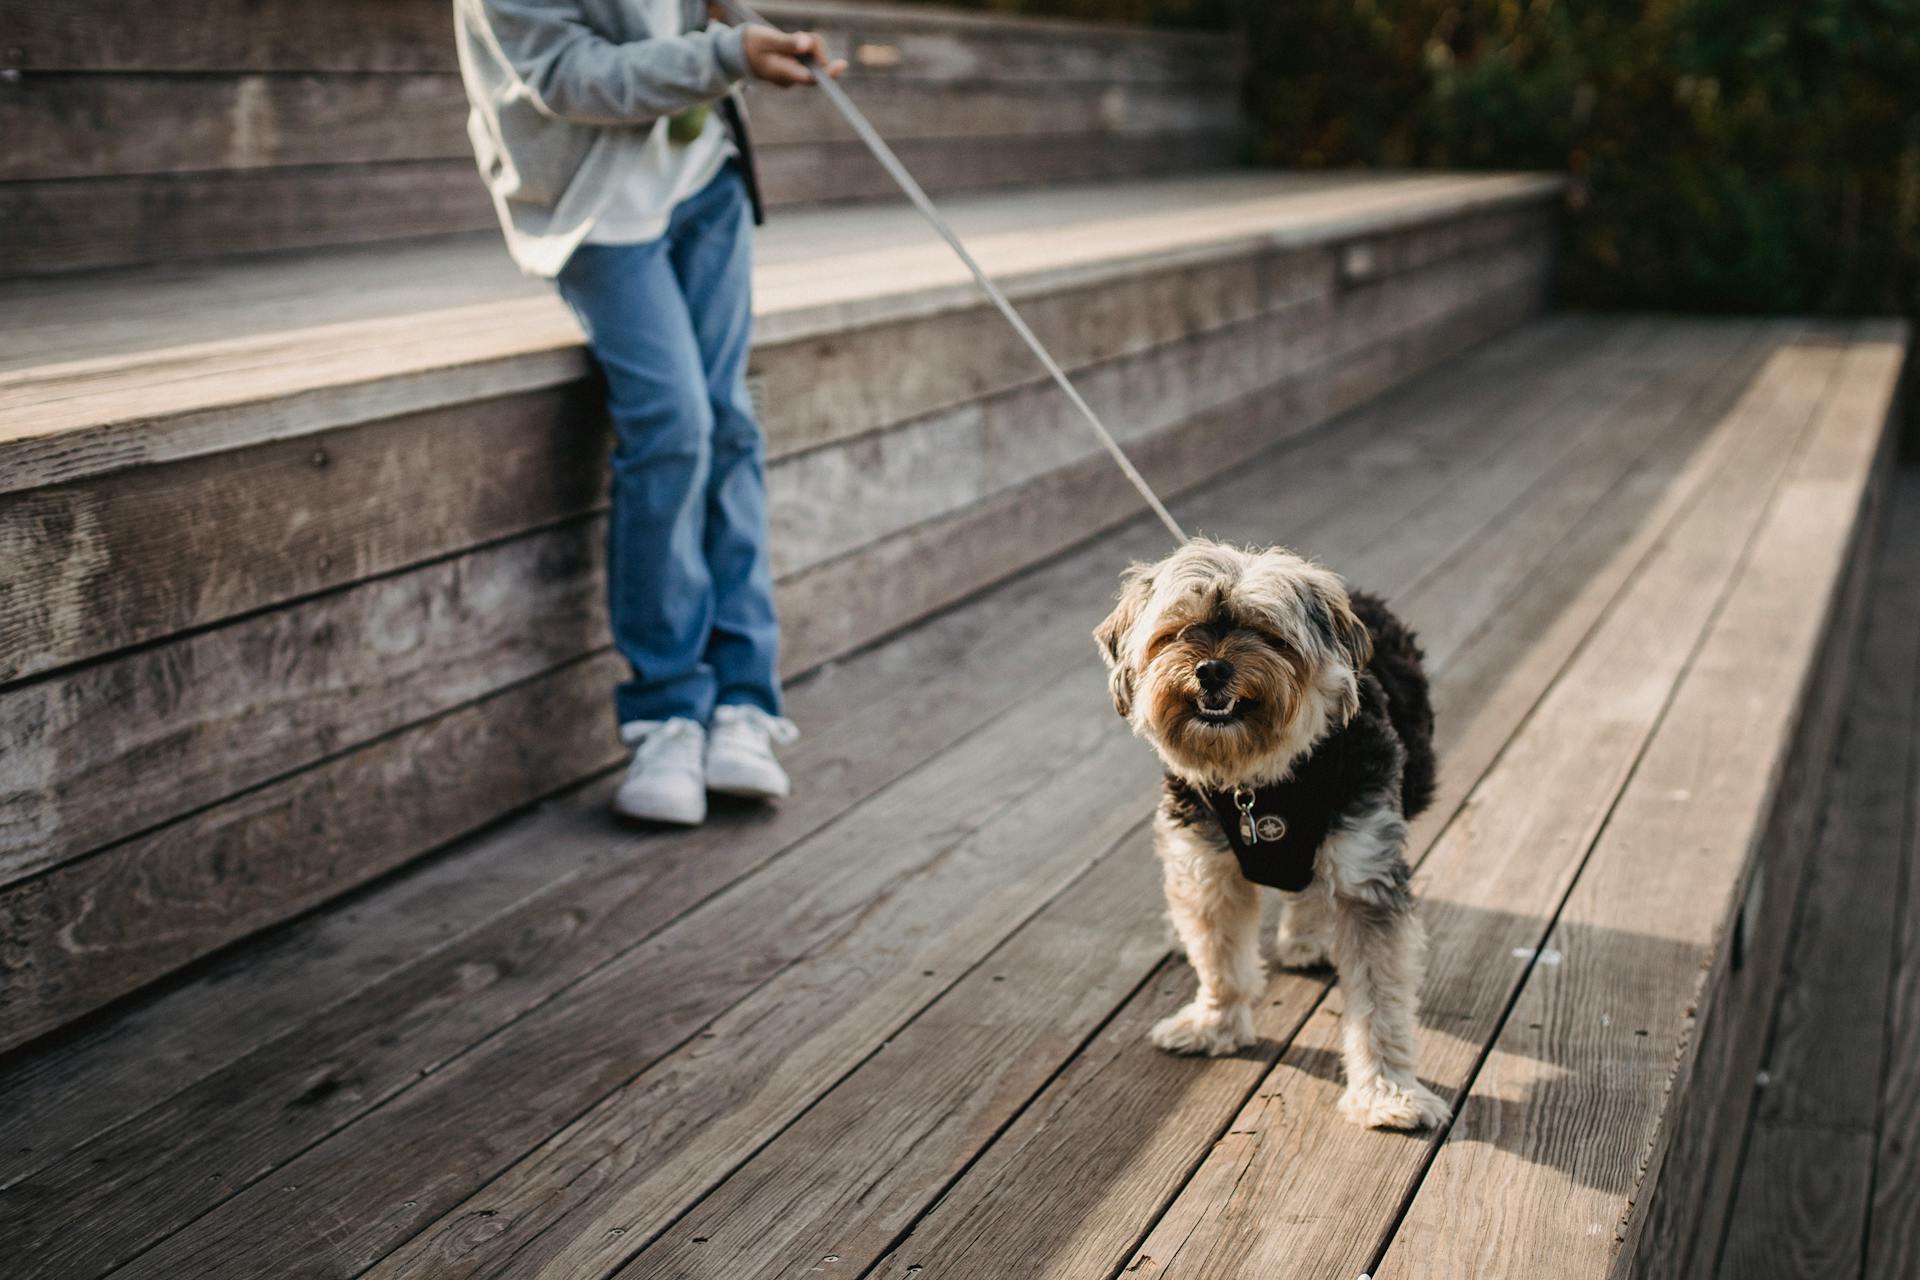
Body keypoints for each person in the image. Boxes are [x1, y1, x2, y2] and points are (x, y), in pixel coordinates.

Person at [455, 1, 846, 825]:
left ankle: (743, 703)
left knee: (730, 423)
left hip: (704, 182)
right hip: (595, 205)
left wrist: (747, 32)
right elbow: (570, 76)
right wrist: (730, 52)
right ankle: (666, 714)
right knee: (673, 425)